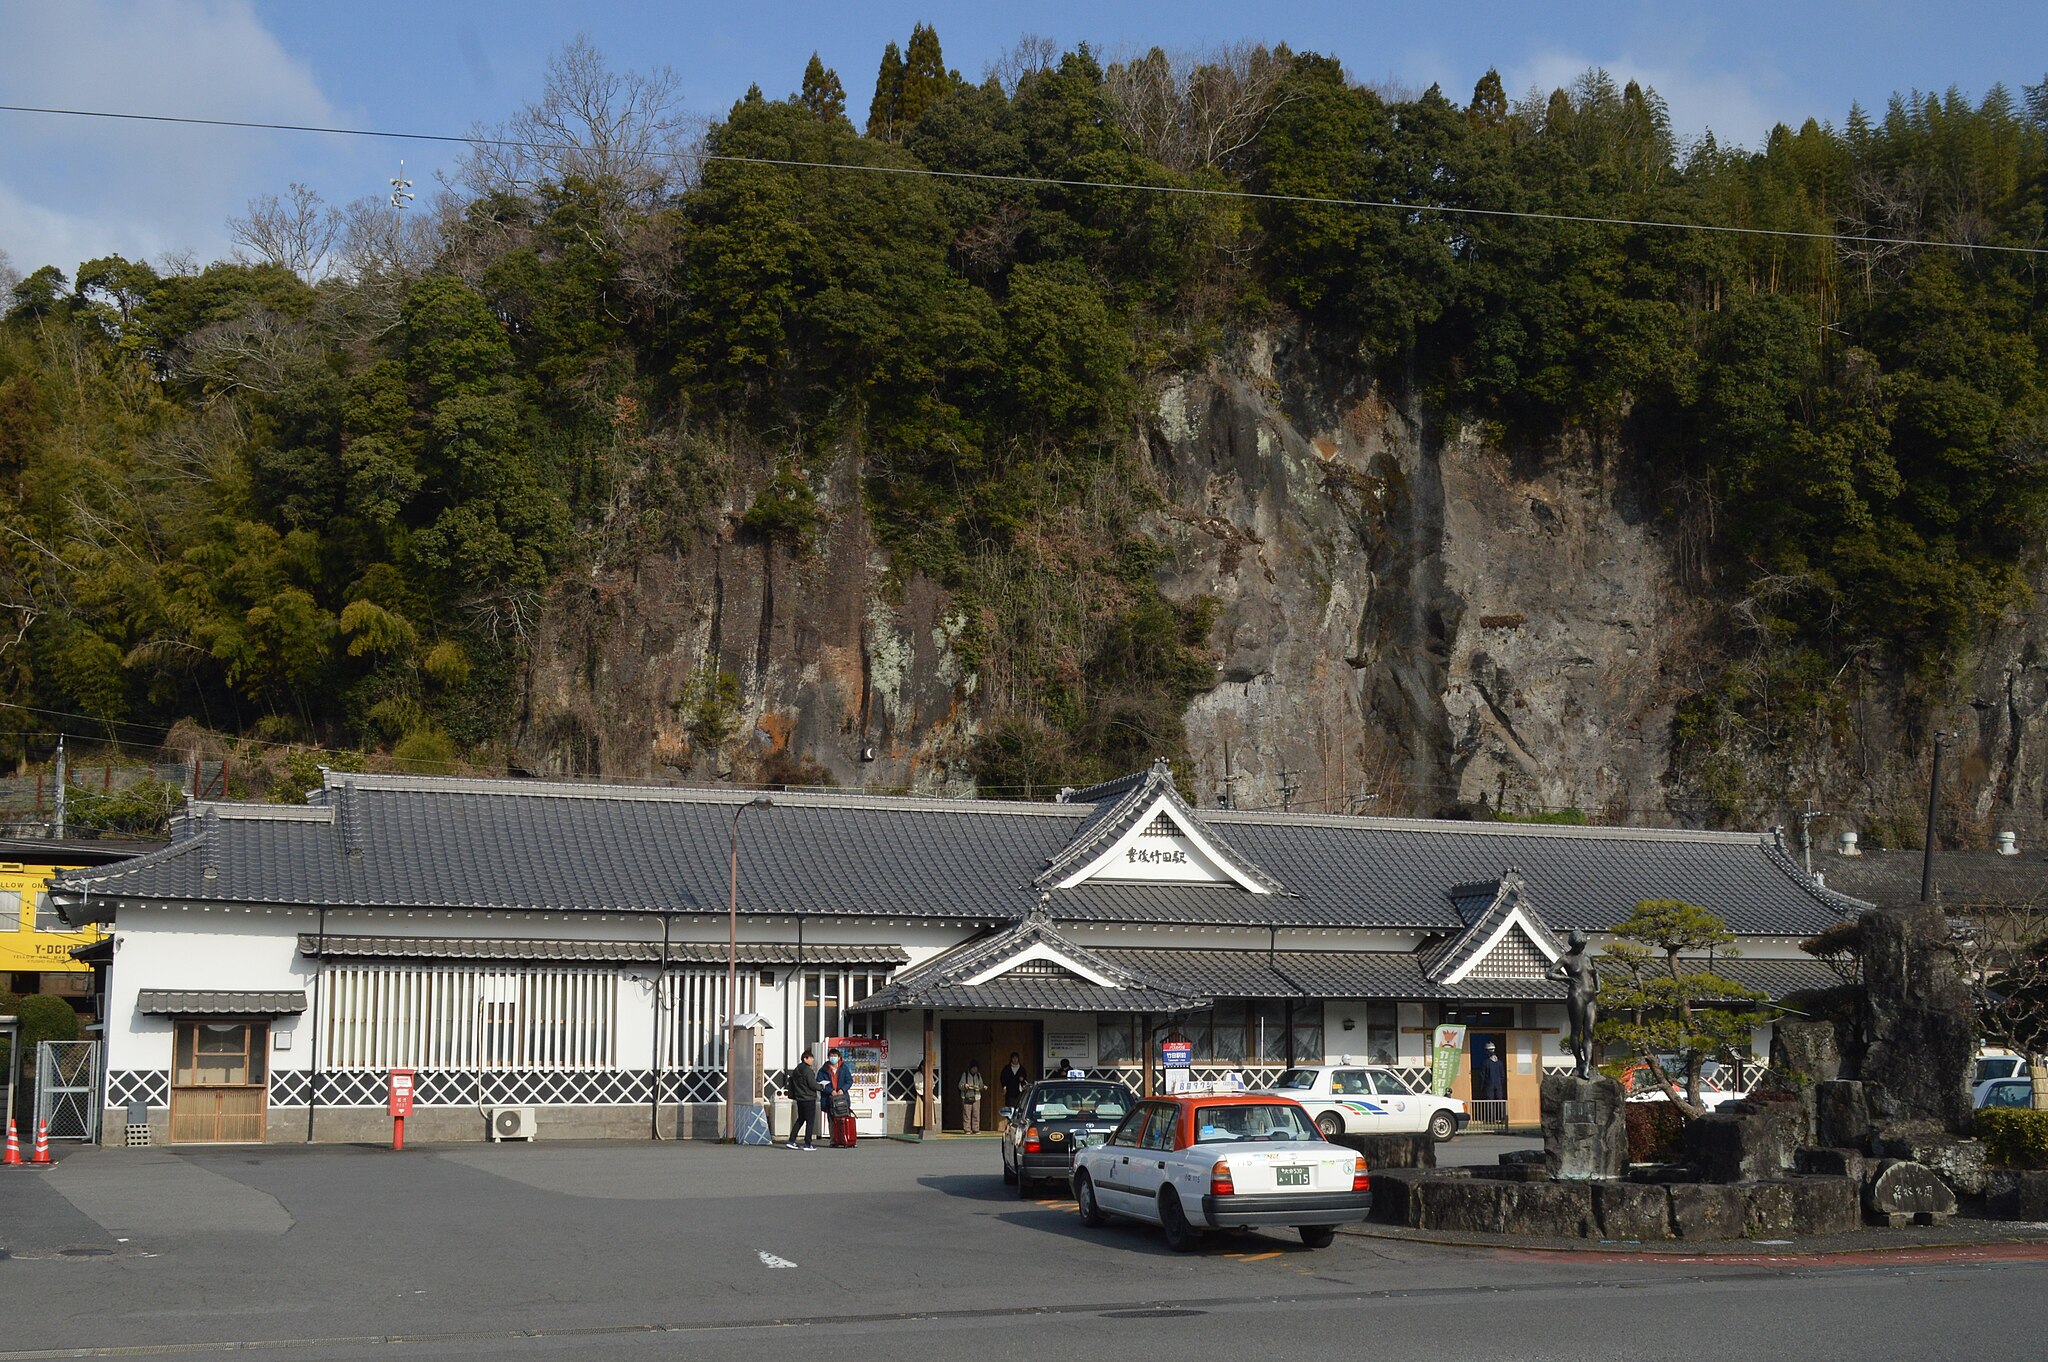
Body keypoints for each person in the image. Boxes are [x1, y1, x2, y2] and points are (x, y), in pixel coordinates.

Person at [784, 1049, 820, 1151]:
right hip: (809, 1098)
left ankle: (791, 1141)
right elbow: (812, 1084)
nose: (812, 1060)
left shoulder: (796, 1070)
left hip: (799, 1098)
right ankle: (808, 1143)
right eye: (811, 1058)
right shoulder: (808, 1071)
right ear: (805, 1058)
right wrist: (821, 1086)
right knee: (810, 1121)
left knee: (800, 1119)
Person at [821, 1048, 852, 1145]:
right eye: (831, 1056)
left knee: (843, 1118)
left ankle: (845, 1138)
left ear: (839, 1057)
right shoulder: (824, 1069)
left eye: (835, 1056)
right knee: (832, 1119)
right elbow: (819, 1082)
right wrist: (830, 1091)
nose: (833, 1058)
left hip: (842, 1097)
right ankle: (833, 1140)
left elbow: (849, 1081)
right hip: (830, 1098)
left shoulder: (844, 1068)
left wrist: (842, 1089)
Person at [958, 1060, 987, 1134]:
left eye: (976, 1068)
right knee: (966, 1113)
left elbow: (980, 1085)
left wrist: (983, 1087)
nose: (975, 1069)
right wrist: (965, 1085)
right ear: (970, 1068)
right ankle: (967, 1129)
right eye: (973, 1068)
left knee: (976, 1113)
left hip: (976, 1096)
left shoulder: (978, 1075)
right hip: (966, 1096)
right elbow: (960, 1085)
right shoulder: (965, 1074)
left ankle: (976, 1129)